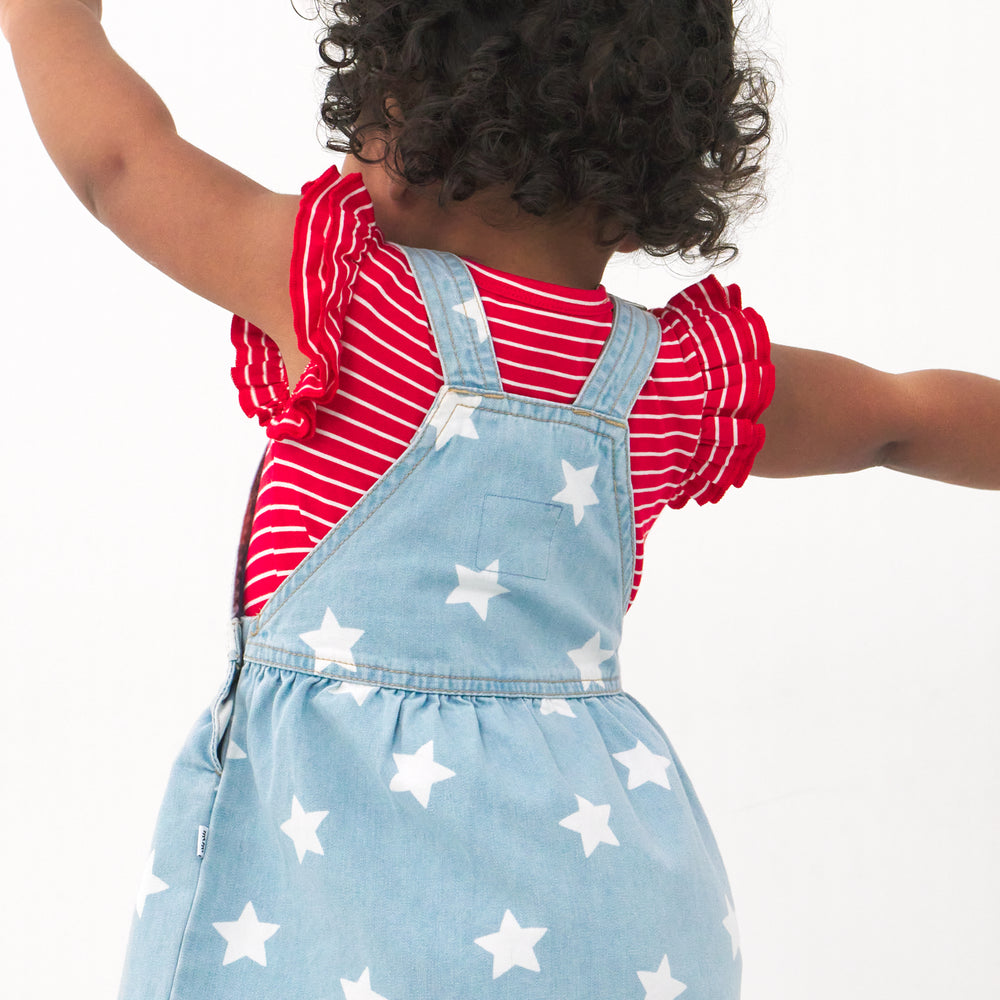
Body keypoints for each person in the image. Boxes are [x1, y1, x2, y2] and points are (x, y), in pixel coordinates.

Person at [3, 1, 998, 998]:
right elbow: (895, 417)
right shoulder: (669, 381)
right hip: (601, 903)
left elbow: (120, 161)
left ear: (405, 110)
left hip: (326, 885)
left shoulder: (358, 306)